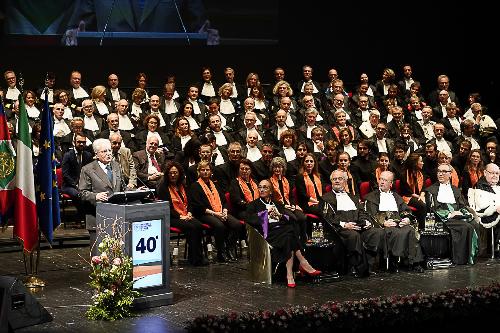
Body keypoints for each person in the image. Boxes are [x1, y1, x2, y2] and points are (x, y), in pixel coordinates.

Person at [246, 180, 321, 288]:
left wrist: (279, 215)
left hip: (282, 230)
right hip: (269, 233)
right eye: (260, 187)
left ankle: (289, 273)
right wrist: (265, 214)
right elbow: (249, 219)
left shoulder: (277, 203)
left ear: (271, 191)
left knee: (288, 236)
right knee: (289, 233)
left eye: (265, 187)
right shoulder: (253, 205)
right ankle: (303, 263)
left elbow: (289, 218)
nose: (262, 190)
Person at [323, 170, 386, 276]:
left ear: (345, 181)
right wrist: (344, 224)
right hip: (341, 229)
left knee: (377, 232)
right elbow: (328, 217)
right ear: (331, 182)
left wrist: (366, 222)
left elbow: (362, 212)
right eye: (334, 179)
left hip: (358, 226)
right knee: (353, 235)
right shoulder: (326, 198)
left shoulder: (353, 197)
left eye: (340, 179)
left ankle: (369, 266)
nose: (337, 181)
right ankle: (356, 266)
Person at [364, 171, 425, 272]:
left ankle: (415, 263)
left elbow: (406, 210)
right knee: (394, 232)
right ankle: (395, 261)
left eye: (385, 180)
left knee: (410, 230)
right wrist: (383, 222)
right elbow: (370, 213)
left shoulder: (396, 196)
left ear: (391, 183)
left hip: (398, 222)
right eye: (381, 179)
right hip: (385, 225)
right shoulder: (371, 197)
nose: (382, 182)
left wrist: (407, 219)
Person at [424, 164, 480, 265]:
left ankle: (471, 256)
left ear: (450, 174)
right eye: (439, 171)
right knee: (466, 227)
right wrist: (450, 214)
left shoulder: (455, 190)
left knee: (474, 223)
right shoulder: (431, 190)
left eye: (444, 172)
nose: (440, 174)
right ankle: (461, 259)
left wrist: (462, 213)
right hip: (443, 219)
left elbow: (463, 205)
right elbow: (432, 209)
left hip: (458, 217)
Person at [189, 161, 242, 263]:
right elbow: (197, 206)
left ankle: (229, 248)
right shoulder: (195, 186)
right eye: (202, 170)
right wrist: (216, 214)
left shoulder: (215, 185)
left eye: (207, 170)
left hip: (220, 211)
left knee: (237, 224)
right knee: (219, 226)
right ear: (198, 172)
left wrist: (225, 211)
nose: (205, 172)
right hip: (204, 214)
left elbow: (224, 201)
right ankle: (221, 252)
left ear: (211, 172)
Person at [156, 162, 207, 266]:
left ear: (179, 174)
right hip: (172, 217)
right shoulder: (163, 188)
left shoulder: (183, 186)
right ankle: (195, 259)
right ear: (167, 174)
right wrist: (180, 216)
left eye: (175, 173)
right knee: (191, 227)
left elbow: (190, 202)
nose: (173, 175)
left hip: (185, 215)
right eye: (171, 173)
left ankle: (198, 256)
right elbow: (167, 208)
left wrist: (189, 213)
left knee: (198, 225)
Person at [79, 139, 124, 255]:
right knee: (99, 255)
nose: (108, 153)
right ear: (96, 154)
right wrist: (95, 196)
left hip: (116, 216)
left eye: (109, 150)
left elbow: (122, 188)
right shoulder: (87, 169)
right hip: (96, 216)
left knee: (116, 253)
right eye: (104, 151)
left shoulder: (116, 166)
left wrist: (136, 191)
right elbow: (82, 193)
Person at [67, 0, 206, 33]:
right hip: (109, 69)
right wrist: (73, 37)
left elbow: (201, 29)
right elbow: (74, 32)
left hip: (167, 70)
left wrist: (205, 38)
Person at [269, 157, 307, 244]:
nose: (277, 169)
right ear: (272, 168)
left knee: (302, 217)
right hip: (279, 207)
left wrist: (293, 205)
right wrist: (283, 206)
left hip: (289, 205)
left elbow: (291, 196)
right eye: (275, 167)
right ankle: (295, 243)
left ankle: (303, 239)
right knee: (293, 218)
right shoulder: (269, 182)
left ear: (283, 168)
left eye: (280, 167)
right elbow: (271, 199)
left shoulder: (286, 181)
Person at [468, 163, 500, 255]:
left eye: (497, 173)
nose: (495, 176)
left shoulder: (498, 187)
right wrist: (495, 208)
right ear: (485, 173)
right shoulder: (479, 186)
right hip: (488, 216)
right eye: (492, 173)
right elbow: (481, 206)